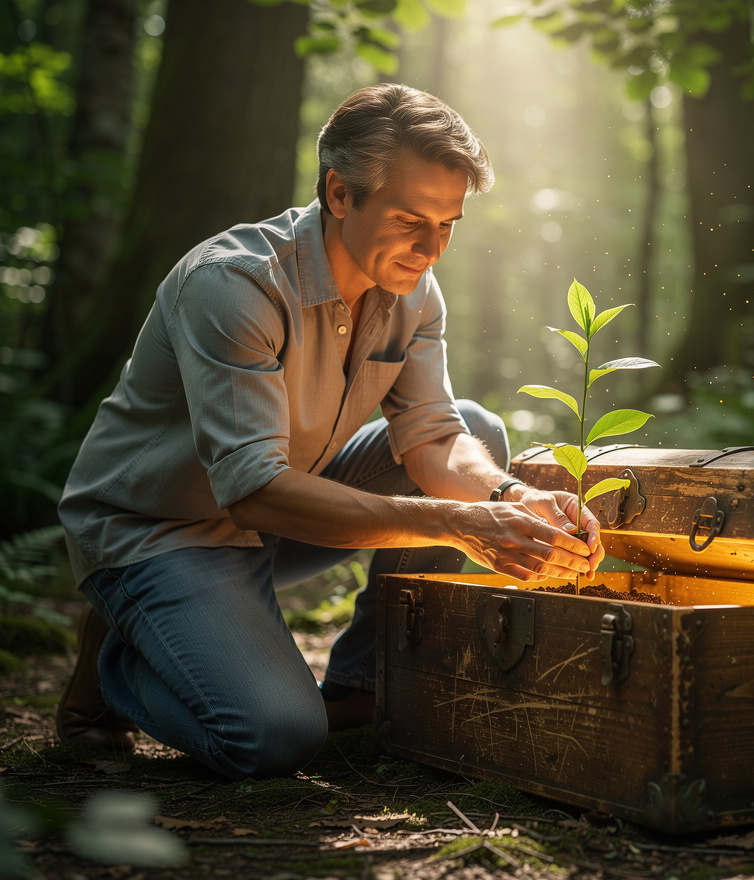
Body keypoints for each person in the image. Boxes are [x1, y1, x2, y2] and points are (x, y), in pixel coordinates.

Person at [55, 83, 603, 779]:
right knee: (273, 739)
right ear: (340, 194)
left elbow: (433, 435)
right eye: (411, 219)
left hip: (279, 512)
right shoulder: (233, 285)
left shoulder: (412, 288)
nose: (431, 248)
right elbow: (253, 489)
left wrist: (503, 497)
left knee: (478, 428)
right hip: (157, 529)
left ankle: (363, 688)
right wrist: (457, 524)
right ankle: (118, 658)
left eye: (448, 224)